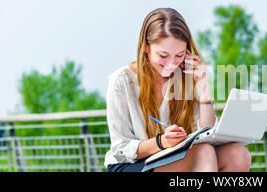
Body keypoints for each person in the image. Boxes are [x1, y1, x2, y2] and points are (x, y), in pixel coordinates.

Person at [104, 8, 251, 172]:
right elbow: (121, 148)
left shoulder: (186, 76)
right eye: (163, 55)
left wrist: (203, 85)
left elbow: (207, 132)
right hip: (131, 165)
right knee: (203, 152)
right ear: (146, 47)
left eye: (179, 55)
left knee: (238, 154)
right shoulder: (121, 81)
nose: (171, 64)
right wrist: (161, 142)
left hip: (174, 157)